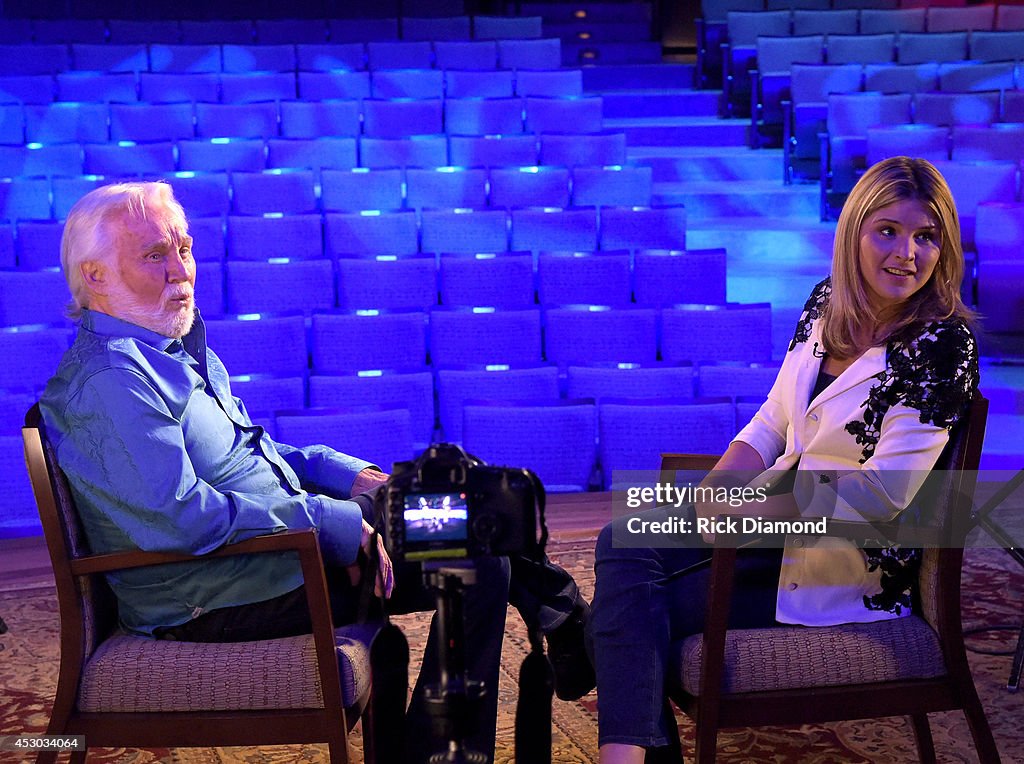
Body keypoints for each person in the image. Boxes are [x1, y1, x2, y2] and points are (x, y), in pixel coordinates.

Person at [40, 181, 593, 764]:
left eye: (185, 248)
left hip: (279, 547)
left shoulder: (171, 347)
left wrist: (352, 478)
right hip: (224, 590)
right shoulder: (112, 382)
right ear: (94, 275)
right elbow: (181, 520)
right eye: (156, 254)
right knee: (479, 547)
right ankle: (554, 635)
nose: (182, 271)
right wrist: (338, 523)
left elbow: (253, 455)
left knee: (481, 510)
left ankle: (559, 623)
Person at [588, 156, 980, 763]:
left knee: (626, 602)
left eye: (926, 237)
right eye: (889, 231)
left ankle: (577, 656)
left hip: (845, 565)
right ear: (854, 232)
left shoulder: (943, 344)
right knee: (626, 543)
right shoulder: (826, 303)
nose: (907, 253)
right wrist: (719, 487)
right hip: (770, 527)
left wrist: (745, 512)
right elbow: (772, 421)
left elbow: (879, 498)